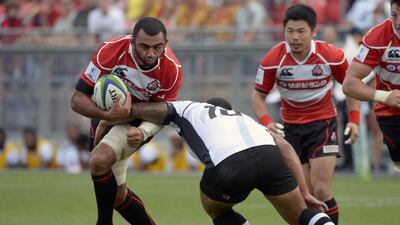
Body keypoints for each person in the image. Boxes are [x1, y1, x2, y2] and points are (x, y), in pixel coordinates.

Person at [97, 97, 335, 225]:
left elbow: (157, 110)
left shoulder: (190, 108)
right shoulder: (243, 118)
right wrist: (304, 191)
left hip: (229, 166)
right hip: (268, 155)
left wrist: (123, 111)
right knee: (300, 215)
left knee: (215, 209)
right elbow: (285, 147)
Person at [251, 4, 360, 224]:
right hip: (291, 129)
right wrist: (267, 121)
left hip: (323, 125)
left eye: (301, 31)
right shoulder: (274, 59)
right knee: (304, 196)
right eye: (290, 31)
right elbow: (258, 96)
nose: (295, 37)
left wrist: (355, 120)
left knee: (320, 190)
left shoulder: (331, 56)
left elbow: (351, 87)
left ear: (313, 32)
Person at [70, 17, 182, 225]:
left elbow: (164, 113)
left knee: (99, 160)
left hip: (139, 122)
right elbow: (77, 99)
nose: (151, 53)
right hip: (105, 114)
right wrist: (106, 117)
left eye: (157, 47)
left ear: (165, 44)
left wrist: (144, 133)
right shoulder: (110, 50)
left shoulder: (172, 69)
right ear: (132, 42)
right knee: (117, 195)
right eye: (144, 47)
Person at [342, 0, 400, 172]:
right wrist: (385, 97)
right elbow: (349, 83)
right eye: (394, 15)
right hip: (392, 113)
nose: (398, 23)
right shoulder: (378, 36)